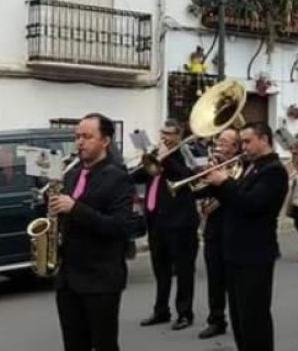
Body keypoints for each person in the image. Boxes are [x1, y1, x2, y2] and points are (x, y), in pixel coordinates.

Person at [53, 113, 138, 351]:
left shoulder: (118, 177)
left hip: (100, 279)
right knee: (73, 344)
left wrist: (75, 208)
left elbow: (121, 227)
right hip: (69, 279)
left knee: (104, 345)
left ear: (105, 141)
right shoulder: (71, 174)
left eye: (88, 137)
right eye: (78, 136)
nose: (80, 142)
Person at [204, 121, 288, 351]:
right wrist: (213, 181)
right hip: (235, 251)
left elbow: (251, 203)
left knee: (255, 318)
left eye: (248, 141)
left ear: (265, 140)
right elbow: (231, 199)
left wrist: (226, 181)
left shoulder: (274, 171)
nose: (244, 147)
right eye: (242, 142)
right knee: (240, 317)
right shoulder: (249, 166)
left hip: (255, 253)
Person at [137, 121, 199, 330]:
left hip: (180, 223)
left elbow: (185, 176)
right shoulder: (156, 153)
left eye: (169, 134)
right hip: (157, 221)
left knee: (183, 270)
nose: (164, 137)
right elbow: (137, 176)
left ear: (179, 136)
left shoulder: (185, 153)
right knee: (160, 269)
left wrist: (166, 156)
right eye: (162, 132)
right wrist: (144, 160)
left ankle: (185, 313)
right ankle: (161, 310)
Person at [195, 127, 240, 340]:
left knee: (233, 280)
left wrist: (222, 179)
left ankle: (239, 318)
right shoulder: (216, 165)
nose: (219, 145)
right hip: (213, 227)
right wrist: (204, 176)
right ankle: (216, 320)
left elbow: (236, 194)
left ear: (235, 146)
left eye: (225, 142)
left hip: (232, 226)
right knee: (214, 278)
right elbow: (201, 192)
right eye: (219, 141)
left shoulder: (241, 166)